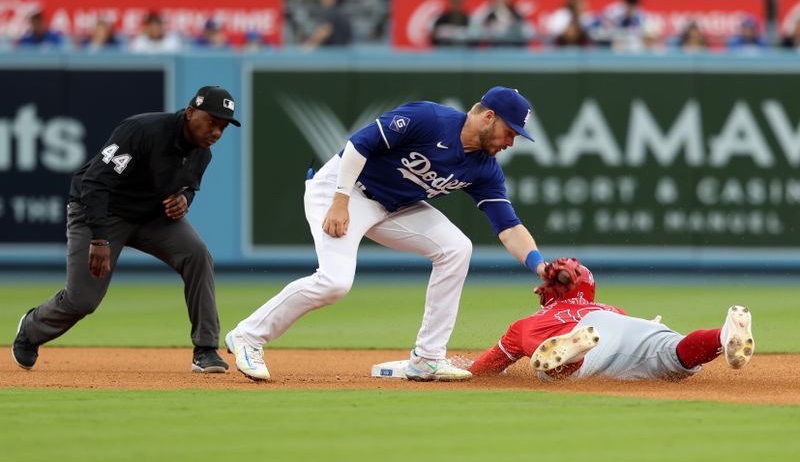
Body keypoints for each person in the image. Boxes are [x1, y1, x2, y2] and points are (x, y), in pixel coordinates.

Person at [225, 86, 549, 382]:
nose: (510, 142)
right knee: (335, 282)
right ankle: (248, 336)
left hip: (396, 206)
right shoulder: (429, 119)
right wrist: (339, 201)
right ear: (488, 117)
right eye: (510, 131)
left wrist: (539, 266)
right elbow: (359, 144)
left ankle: (428, 359)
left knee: (457, 248)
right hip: (343, 189)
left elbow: (508, 227)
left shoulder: (485, 168)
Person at [12, 86, 241, 374]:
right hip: (99, 213)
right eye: (212, 121)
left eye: (223, 126)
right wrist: (99, 237)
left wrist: (184, 200)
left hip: (150, 217)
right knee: (83, 300)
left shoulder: (202, 154)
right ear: (191, 112)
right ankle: (31, 328)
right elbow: (95, 182)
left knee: (197, 255)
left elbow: (189, 187)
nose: (217, 132)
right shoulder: (142, 130)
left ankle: (205, 349)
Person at [466, 258, 755, 381]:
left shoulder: (524, 324)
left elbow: (484, 369)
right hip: (619, 326)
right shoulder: (608, 308)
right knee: (675, 352)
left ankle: (572, 358)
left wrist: (473, 368)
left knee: (553, 374)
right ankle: (722, 334)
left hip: (584, 338)